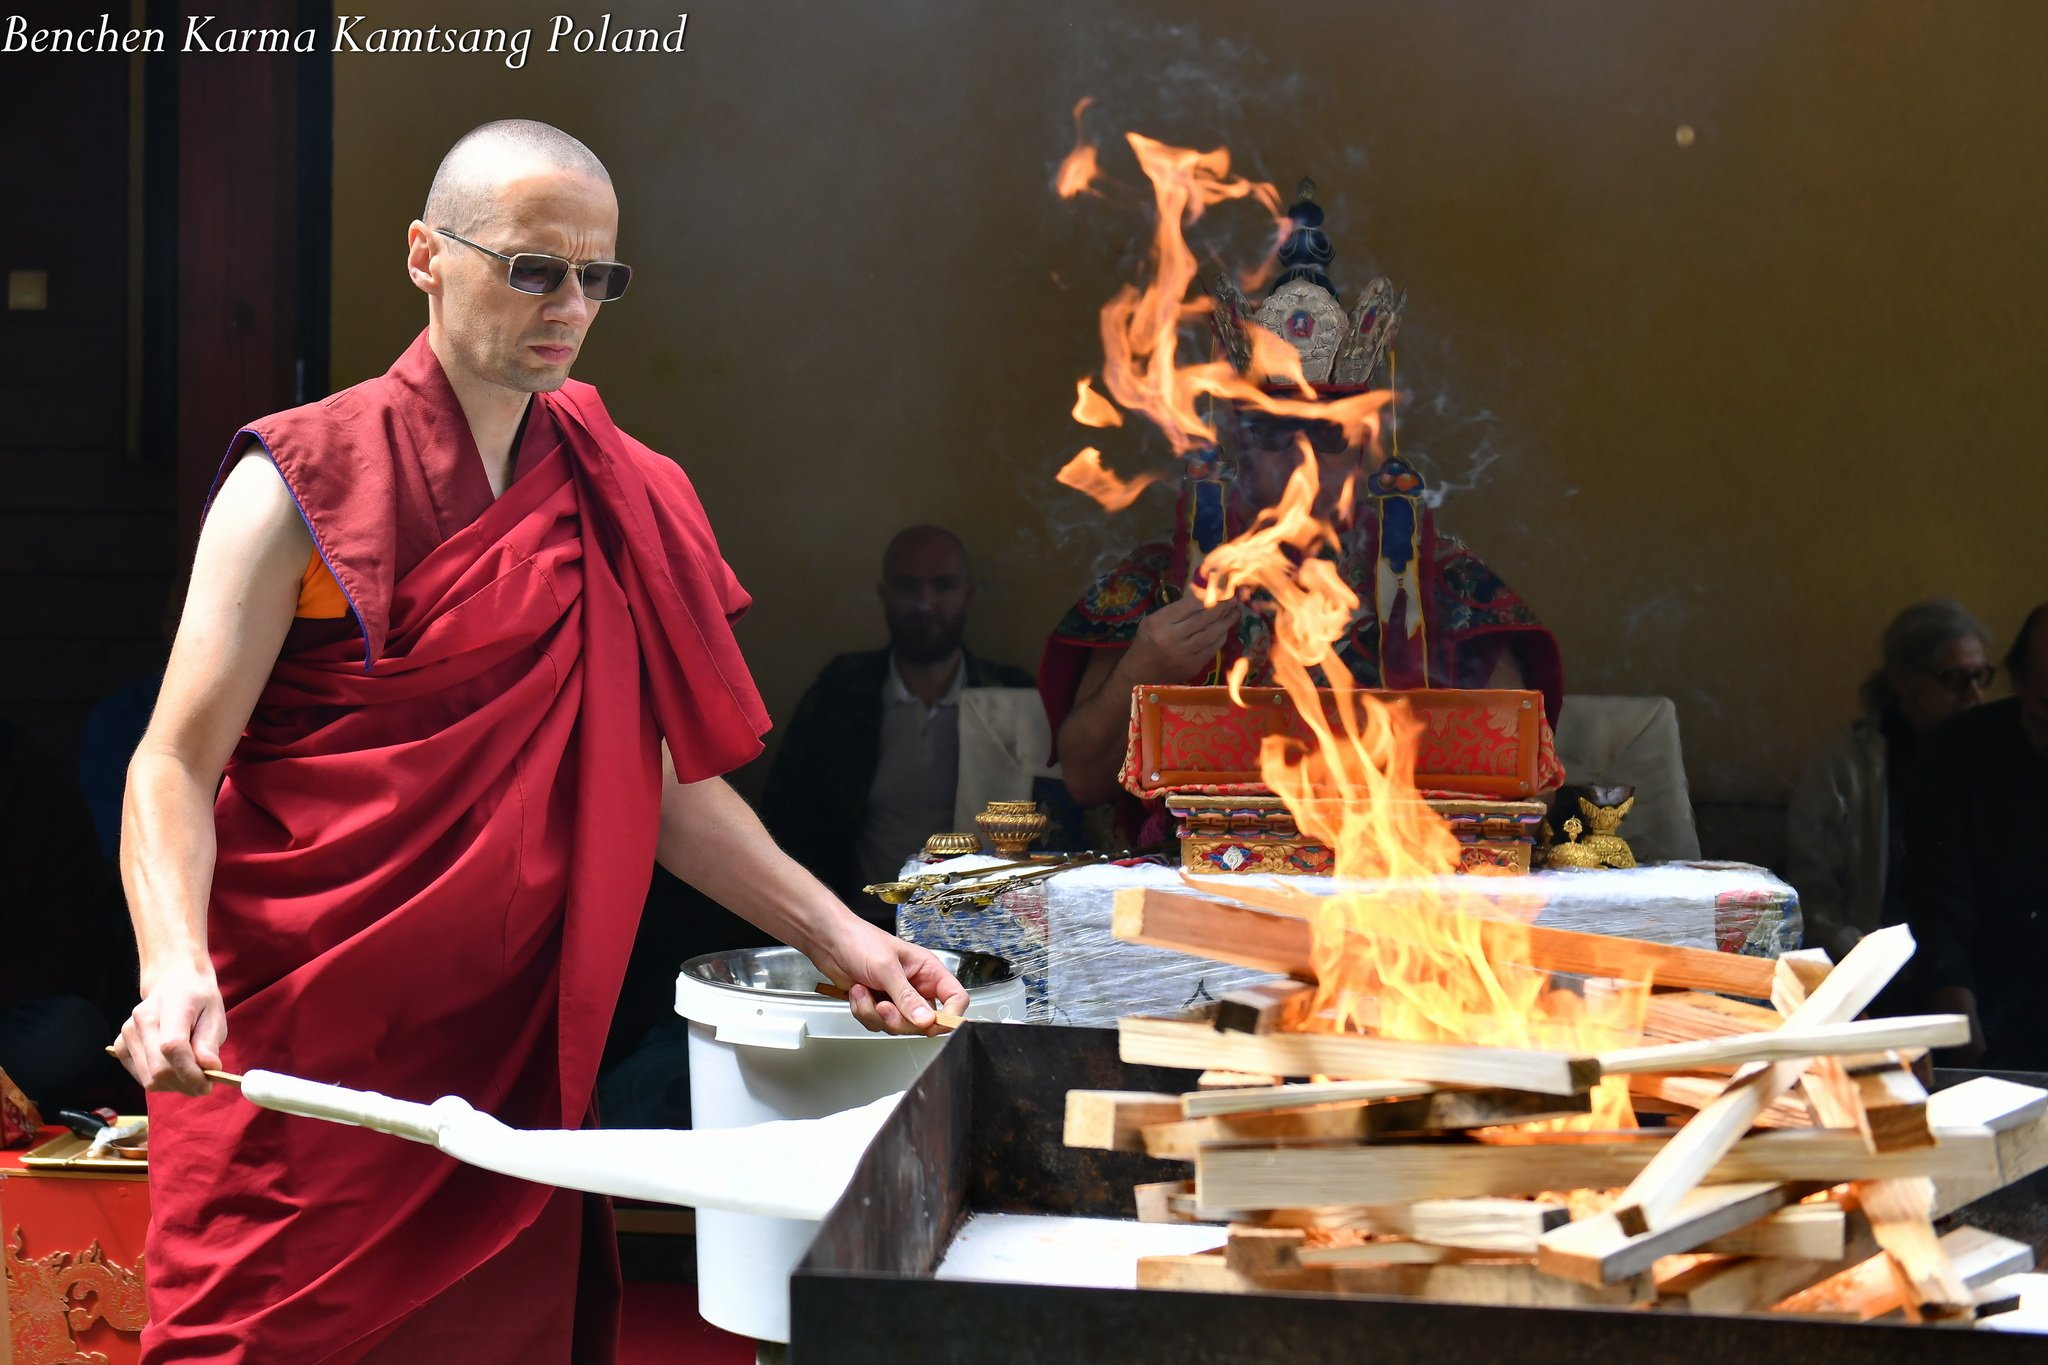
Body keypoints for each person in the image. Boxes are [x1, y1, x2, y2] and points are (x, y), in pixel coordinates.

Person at [112, 120, 966, 1363]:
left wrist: (844, 940)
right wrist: (172, 966)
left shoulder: (621, 492)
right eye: (532, 269)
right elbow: (172, 763)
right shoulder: (300, 479)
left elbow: (660, 790)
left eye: (596, 277)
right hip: (302, 1053)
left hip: (505, 1072)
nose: (568, 306)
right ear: (425, 254)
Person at [759, 526, 1034, 912]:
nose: (924, 603)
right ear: (884, 593)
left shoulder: (1011, 697)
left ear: (968, 594)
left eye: (943, 585)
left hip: (985, 922)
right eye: (907, 586)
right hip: (860, 924)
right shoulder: (843, 692)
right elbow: (785, 818)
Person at [1785, 600, 1995, 962]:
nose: (1975, 696)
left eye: (1981, 677)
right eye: (1955, 679)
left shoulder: (1991, 760)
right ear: (1903, 680)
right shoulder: (1845, 762)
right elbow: (1813, 891)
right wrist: (1862, 958)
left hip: (1971, 965)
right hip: (1871, 963)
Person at [1905, 601, 2048, 1070]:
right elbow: (1938, 910)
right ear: (2019, 682)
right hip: (1992, 1021)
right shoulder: (1957, 755)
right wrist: (1966, 1054)